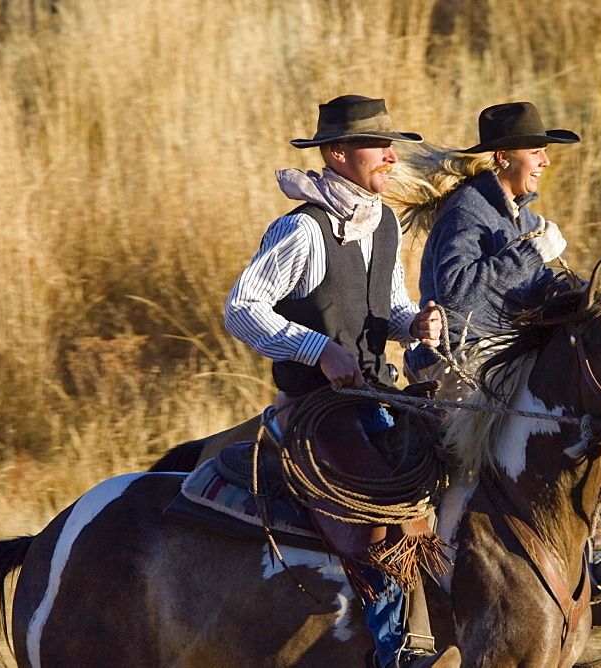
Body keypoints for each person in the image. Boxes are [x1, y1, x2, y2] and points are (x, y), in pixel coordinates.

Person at [224, 95, 458, 668]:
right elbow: (241, 307)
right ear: (337, 154)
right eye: (377, 146)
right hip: (316, 407)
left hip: (378, 395)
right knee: (372, 518)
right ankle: (395, 651)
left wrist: (414, 324)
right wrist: (316, 348)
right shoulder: (302, 230)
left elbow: (391, 305)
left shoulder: (383, 223)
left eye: (390, 145)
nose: (389, 156)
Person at [396, 101, 601, 602]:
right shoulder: (467, 209)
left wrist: (583, 297)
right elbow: (459, 293)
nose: (546, 162)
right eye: (537, 151)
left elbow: (533, 287)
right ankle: (441, 567)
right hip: (461, 364)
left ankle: (587, 547)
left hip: (503, 357)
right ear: (504, 157)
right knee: (472, 460)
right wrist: (531, 252)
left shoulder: (516, 213)